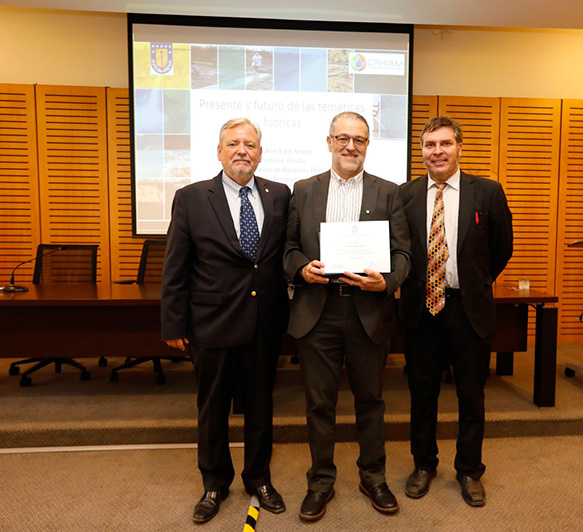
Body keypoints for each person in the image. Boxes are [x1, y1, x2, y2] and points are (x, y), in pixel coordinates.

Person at [161, 118, 290, 524]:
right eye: (233, 144)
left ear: (260, 153)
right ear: (219, 151)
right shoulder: (192, 197)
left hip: (263, 324)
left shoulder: (279, 195)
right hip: (211, 323)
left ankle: (259, 478)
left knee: (260, 406)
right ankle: (214, 482)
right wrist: (173, 324)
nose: (242, 151)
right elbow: (176, 267)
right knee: (212, 408)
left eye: (250, 144)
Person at [284, 111, 411, 522]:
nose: (350, 146)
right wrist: (301, 268)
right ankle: (320, 482)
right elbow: (286, 249)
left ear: (368, 144)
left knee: (370, 401)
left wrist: (387, 282)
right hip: (317, 312)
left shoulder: (389, 192)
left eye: (359, 139)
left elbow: (403, 253)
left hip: (367, 310)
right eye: (343, 138)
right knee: (319, 404)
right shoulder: (303, 190)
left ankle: (373, 476)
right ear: (329, 142)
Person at [399, 116, 513, 508]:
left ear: (459, 148)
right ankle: (424, 465)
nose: (438, 152)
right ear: (422, 151)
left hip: (468, 308)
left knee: (471, 395)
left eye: (445, 144)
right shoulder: (406, 194)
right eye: (430, 145)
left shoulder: (488, 192)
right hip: (421, 310)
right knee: (422, 394)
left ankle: (468, 469)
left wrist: (475, 279)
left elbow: (502, 249)